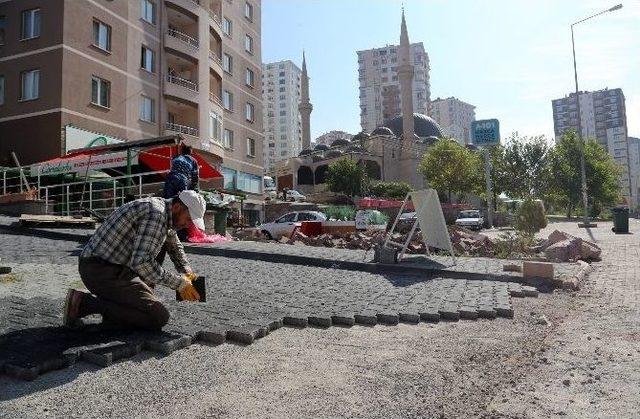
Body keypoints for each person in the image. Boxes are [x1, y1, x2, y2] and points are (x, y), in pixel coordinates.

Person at [62, 190, 206, 331]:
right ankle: (84, 303)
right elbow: (141, 263)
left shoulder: (166, 212)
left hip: (115, 266)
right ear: (177, 207)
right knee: (158, 317)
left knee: (163, 244)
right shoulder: (156, 215)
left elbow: (174, 246)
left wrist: (187, 274)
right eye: (188, 219)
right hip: (100, 270)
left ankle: (127, 303)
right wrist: (180, 284)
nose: (188, 225)